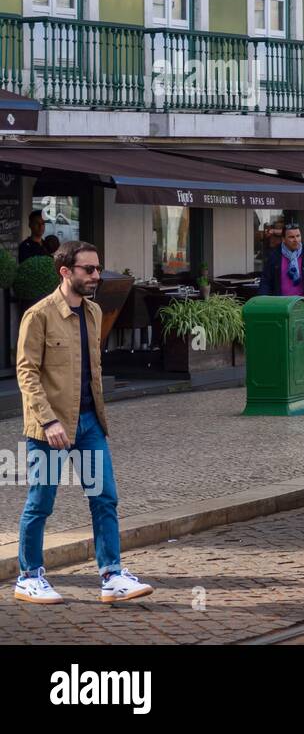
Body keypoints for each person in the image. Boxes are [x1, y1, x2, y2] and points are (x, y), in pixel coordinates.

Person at [13, 241, 153, 605]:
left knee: (105, 498)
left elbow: (93, 367)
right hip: (50, 430)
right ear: (65, 271)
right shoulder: (39, 315)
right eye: (88, 270)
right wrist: (47, 421)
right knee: (41, 502)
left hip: (89, 424)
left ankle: (112, 575)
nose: (95, 276)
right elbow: (26, 373)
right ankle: (28, 577)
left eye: (97, 269)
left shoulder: (93, 312)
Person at [257, 223, 304, 319]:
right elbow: (266, 282)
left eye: (298, 236)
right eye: (291, 237)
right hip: (280, 307)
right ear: (283, 239)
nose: (296, 240)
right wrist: (262, 305)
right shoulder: (274, 256)